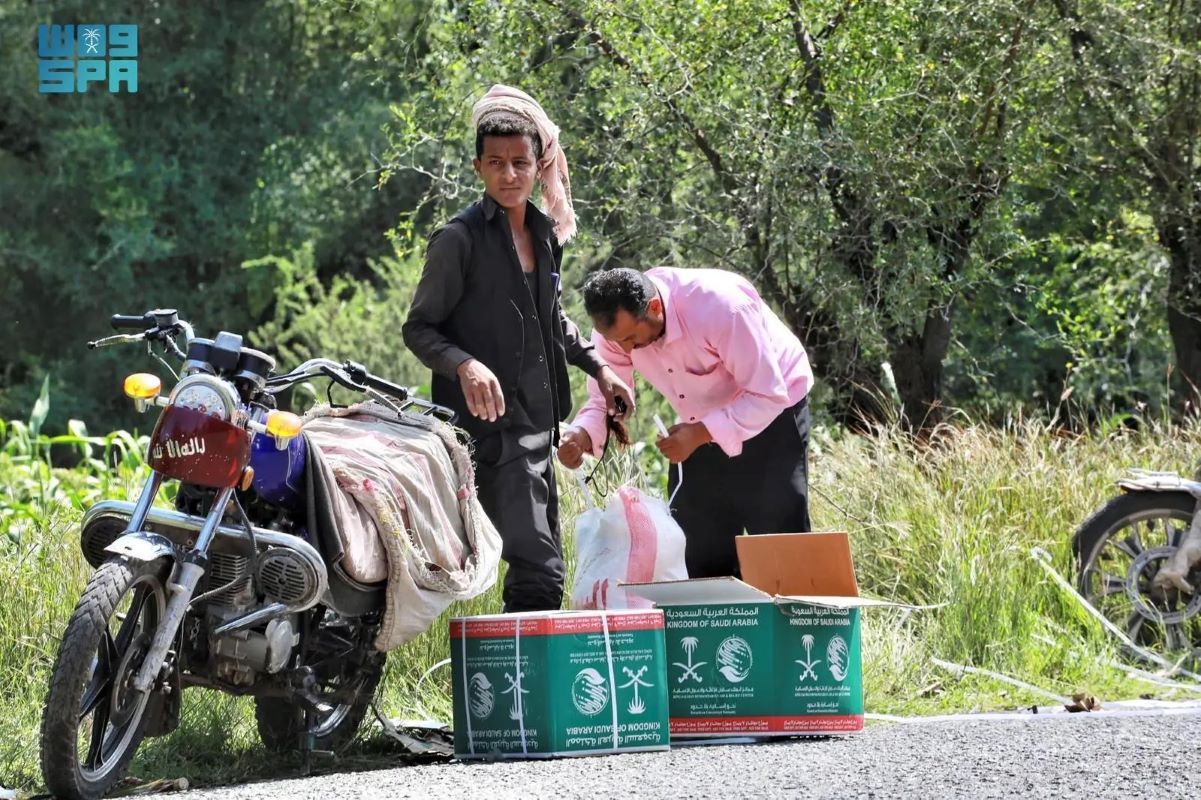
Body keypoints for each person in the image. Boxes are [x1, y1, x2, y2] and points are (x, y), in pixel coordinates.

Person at [402, 85, 633, 613]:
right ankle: (525, 687)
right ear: (479, 167)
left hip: (538, 423)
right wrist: (465, 364)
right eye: (497, 163)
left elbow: (549, 318)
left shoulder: (544, 232)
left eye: (521, 163)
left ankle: (523, 687)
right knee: (539, 568)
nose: (510, 175)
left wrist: (599, 368)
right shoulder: (457, 240)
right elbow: (419, 329)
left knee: (541, 566)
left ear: (537, 164)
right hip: (486, 431)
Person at [557, 267, 814, 578]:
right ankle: (717, 625)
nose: (623, 350)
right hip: (696, 420)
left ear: (654, 307)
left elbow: (767, 394)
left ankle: (798, 623)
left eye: (630, 338)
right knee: (698, 542)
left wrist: (702, 433)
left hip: (773, 409)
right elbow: (608, 399)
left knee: (779, 539)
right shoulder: (614, 332)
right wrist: (583, 433)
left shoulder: (721, 306)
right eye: (615, 341)